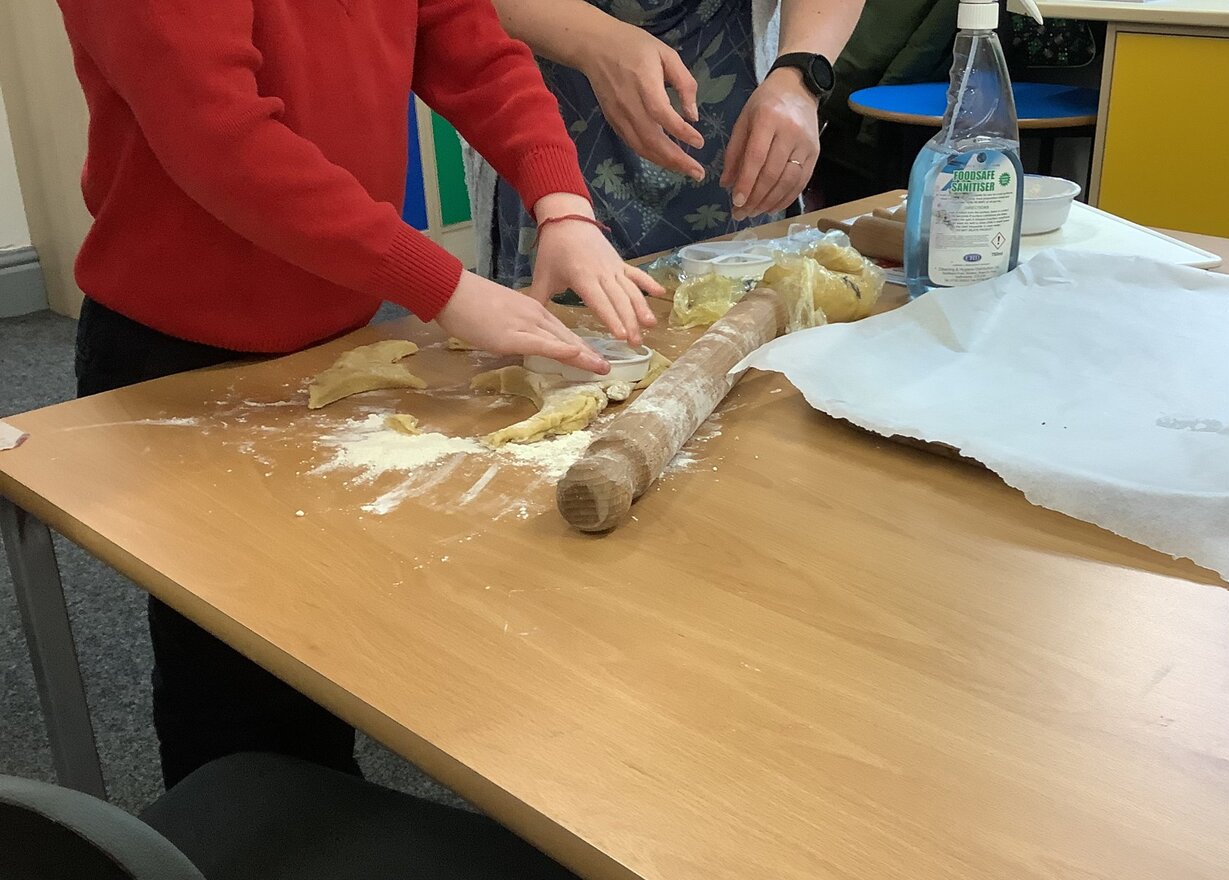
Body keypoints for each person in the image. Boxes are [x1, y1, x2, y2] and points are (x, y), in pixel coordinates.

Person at [55, 0, 662, 788]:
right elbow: (220, 138)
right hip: (182, 353)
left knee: (325, 626)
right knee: (237, 670)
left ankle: (328, 809)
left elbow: (464, 42)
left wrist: (562, 202)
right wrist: (441, 285)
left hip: (331, 325)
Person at [464, 0, 865, 287]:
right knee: (571, 347)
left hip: (737, 126)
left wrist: (800, 75)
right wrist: (597, 40)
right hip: (555, 123)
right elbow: (448, 13)